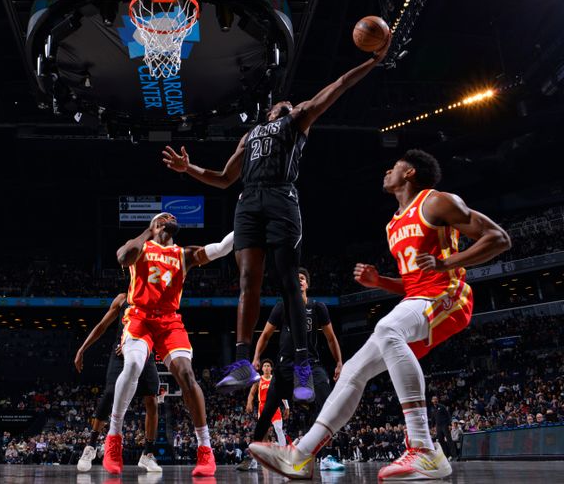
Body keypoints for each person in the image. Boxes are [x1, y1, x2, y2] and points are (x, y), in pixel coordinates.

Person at [249, 149, 511, 480]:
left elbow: (499, 239)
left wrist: (448, 263)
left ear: (410, 172)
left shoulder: (436, 202)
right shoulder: (394, 225)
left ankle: (424, 447)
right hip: (418, 300)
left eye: (394, 166)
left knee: (387, 328)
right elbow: (412, 284)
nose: (387, 170)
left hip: (450, 296)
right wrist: (380, 282)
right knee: (352, 372)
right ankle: (301, 456)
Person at [162, 33, 393, 399]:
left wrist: (372, 62)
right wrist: (189, 169)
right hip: (248, 200)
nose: (282, 103)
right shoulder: (251, 135)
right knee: (247, 281)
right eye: (279, 103)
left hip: (280, 197)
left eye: (287, 101)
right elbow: (223, 179)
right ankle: (242, 365)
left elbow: (338, 85)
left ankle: (302, 366)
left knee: (288, 282)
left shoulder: (297, 120)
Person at [102, 213, 234, 476]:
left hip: (169, 321)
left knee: (186, 374)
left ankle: (205, 450)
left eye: (172, 217)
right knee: (134, 365)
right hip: (139, 317)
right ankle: (113, 438)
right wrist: (148, 232)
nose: (169, 218)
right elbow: (122, 256)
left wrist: (246, 224)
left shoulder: (183, 254)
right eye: (163, 217)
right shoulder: (141, 247)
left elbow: (220, 249)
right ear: (154, 224)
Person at [74, 292, 162, 473]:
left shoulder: (154, 298)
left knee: (152, 400)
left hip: (145, 351)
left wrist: (138, 344)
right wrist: (82, 349)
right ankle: (90, 447)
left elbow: (160, 329)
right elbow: (102, 326)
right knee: (110, 393)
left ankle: (148, 454)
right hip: (120, 352)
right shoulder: (123, 299)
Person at [252, 268, 343, 420]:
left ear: (307, 284)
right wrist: (256, 357)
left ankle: (321, 432)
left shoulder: (317, 307)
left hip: (311, 363)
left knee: (328, 401)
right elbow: (265, 335)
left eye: (302, 278)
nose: (299, 281)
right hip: (286, 364)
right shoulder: (282, 307)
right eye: (296, 279)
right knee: (269, 407)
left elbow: (331, 338)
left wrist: (339, 362)